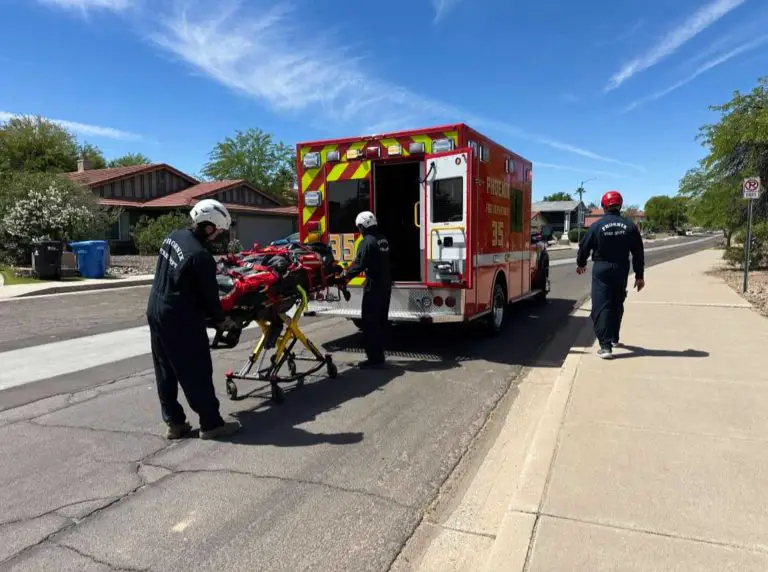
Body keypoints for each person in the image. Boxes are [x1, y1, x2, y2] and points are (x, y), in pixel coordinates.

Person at [146, 198, 241, 440]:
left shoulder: (173, 236)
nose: (218, 236)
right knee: (196, 370)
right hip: (180, 317)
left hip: (156, 308)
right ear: (209, 228)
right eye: (218, 231)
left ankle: (175, 423)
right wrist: (223, 321)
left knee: (164, 369)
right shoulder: (200, 256)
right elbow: (210, 298)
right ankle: (211, 424)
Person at [576, 190, 645, 359]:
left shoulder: (597, 226)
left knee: (601, 306)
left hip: (602, 269)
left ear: (604, 206)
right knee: (617, 302)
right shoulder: (630, 226)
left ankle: (605, 346)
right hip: (621, 268)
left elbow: (584, 246)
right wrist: (639, 276)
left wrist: (581, 263)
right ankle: (614, 337)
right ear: (620, 205)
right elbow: (638, 252)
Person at [344, 210, 392, 368]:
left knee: (370, 322)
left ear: (363, 226)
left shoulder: (367, 241)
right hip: (385, 285)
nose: (359, 230)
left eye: (359, 227)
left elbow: (359, 264)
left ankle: (374, 358)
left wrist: (345, 276)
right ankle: (380, 354)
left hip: (374, 286)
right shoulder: (382, 239)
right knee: (380, 321)